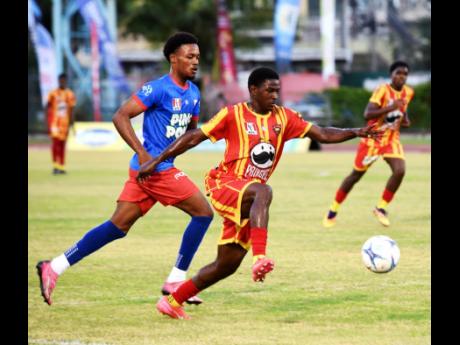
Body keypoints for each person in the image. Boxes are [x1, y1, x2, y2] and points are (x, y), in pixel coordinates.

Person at [136, 67, 381, 319]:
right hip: (225, 184)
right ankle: (260, 257)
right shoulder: (233, 114)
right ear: (253, 90)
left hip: (249, 198)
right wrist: (157, 161)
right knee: (263, 190)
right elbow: (193, 137)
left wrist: (355, 132)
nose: (275, 95)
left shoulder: (285, 118)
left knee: (226, 265)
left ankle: (173, 301)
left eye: (277, 90)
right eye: (269, 90)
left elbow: (322, 133)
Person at [36, 32, 213, 306]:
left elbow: (188, 134)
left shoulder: (194, 93)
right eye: (189, 57)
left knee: (116, 227)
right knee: (203, 214)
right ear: (173, 58)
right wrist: (144, 154)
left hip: (154, 169)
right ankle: (177, 278)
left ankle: (55, 266)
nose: (195, 62)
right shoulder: (157, 89)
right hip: (154, 170)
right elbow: (120, 115)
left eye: (198, 57)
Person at [322, 61, 414, 228]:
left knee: (400, 170)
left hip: (391, 139)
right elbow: (368, 113)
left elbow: (403, 109)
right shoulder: (382, 90)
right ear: (391, 75)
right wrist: (391, 107)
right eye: (398, 73)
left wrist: (404, 118)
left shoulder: (408, 92)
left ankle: (381, 208)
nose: (401, 76)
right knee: (355, 176)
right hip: (372, 138)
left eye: (405, 74)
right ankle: (333, 210)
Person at [46, 73, 76, 175]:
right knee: (55, 144)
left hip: (65, 124)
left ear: (66, 81)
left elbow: (71, 110)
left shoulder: (70, 94)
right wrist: (47, 121)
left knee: (63, 145)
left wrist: (72, 124)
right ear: (58, 80)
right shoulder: (52, 93)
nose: (62, 82)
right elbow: (47, 107)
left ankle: (61, 166)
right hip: (54, 123)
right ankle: (55, 166)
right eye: (61, 80)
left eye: (64, 80)